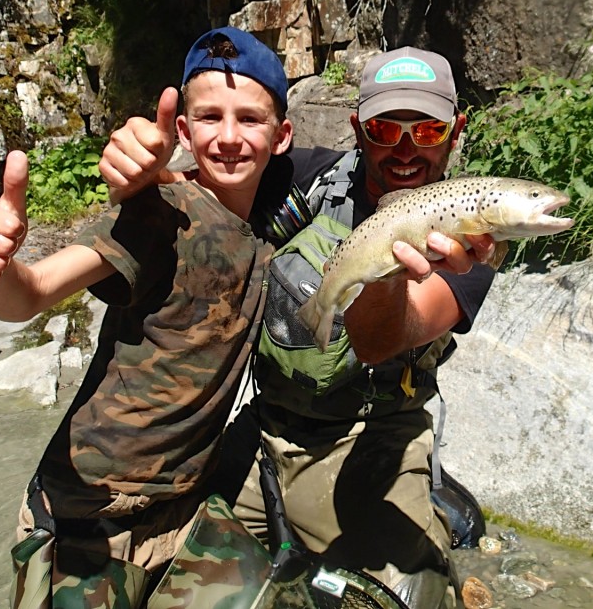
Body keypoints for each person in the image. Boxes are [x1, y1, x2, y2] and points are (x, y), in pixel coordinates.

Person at [102, 46, 496, 608]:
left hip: (372, 442)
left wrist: (385, 271)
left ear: (455, 131)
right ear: (359, 128)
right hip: (262, 428)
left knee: (414, 596)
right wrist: (140, 168)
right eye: (386, 128)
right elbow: (204, 185)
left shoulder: (472, 240)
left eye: (426, 132)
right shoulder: (308, 178)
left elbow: (378, 340)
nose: (405, 151)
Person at [0, 26, 294, 607]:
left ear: (281, 135)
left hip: (185, 514)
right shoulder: (162, 212)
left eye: (250, 120)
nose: (229, 138)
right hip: (88, 517)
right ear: (182, 129)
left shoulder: (268, 233)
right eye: (209, 118)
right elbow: (31, 293)